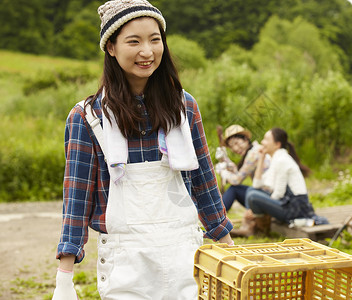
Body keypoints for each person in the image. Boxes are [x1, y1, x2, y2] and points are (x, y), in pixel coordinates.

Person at [52, 1, 233, 299]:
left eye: (155, 39)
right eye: (133, 41)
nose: (147, 52)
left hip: (184, 254)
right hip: (125, 263)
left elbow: (204, 180)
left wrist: (228, 248)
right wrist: (64, 278)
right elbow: (76, 198)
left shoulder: (184, 106)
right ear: (110, 47)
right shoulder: (87, 117)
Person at [233, 127, 327, 237]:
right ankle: (256, 228)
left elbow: (278, 194)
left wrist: (261, 207)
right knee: (251, 191)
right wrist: (262, 157)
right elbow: (257, 185)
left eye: (266, 139)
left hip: (295, 209)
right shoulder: (275, 158)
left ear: (277, 144)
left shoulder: (282, 160)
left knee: (253, 196)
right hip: (286, 203)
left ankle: (259, 230)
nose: (262, 142)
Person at [215, 124, 270, 211]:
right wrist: (229, 164)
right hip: (264, 195)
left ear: (245, 139)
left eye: (236, 143)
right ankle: (218, 216)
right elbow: (240, 174)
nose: (235, 148)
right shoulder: (254, 150)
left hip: (268, 196)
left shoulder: (253, 154)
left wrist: (222, 172)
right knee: (236, 189)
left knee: (234, 189)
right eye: (231, 146)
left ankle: (217, 216)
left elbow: (236, 180)